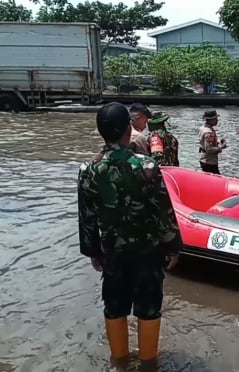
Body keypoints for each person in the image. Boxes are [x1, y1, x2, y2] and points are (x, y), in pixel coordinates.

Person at [77, 102, 182, 367]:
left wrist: (93, 252)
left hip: (113, 252)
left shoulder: (89, 170)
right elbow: (163, 212)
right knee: (148, 309)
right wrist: (173, 247)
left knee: (114, 306)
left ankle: (120, 363)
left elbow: (87, 217)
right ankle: (148, 364)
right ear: (127, 129)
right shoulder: (146, 166)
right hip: (147, 251)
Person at [198, 110, 227, 174]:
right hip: (210, 162)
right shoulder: (209, 132)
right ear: (211, 120)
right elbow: (209, 149)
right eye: (215, 119)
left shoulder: (202, 128)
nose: (217, 120)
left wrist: (218, 141)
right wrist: (221, 147)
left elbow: (206, 141)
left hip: (204, 160)